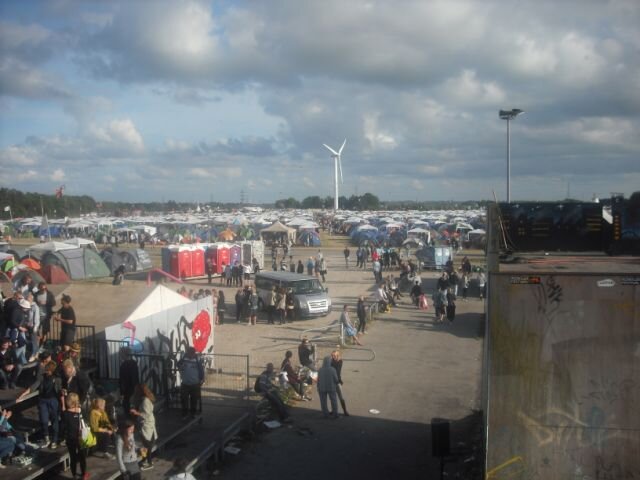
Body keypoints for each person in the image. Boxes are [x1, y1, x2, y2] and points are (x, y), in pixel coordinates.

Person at [17, 357, 60, 449]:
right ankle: (46, 438)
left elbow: (60, 390)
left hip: (53, 400)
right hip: (43, 401)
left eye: (48, 370)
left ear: (51, 371)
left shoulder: (57, 379)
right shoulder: (42, 378)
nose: (46, 371)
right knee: (44, 420)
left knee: (54, 420)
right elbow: (33, 387)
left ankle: (55, 440)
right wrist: (22, 395)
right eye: (46, 370)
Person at [63, 392, 89, 480]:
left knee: (73, 457)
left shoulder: (65, 414)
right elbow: (86, 421)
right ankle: (84, 474)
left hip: (70, 438)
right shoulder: (81, 411)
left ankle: (74, 475)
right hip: (81, 436)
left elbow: (64, 425)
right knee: (82, 457)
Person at [129, 384, 156, 471]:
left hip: (147, 425)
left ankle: (149, 462)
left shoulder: (145, 401)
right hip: (147, 424)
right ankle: (146, 460)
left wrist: (136, 413)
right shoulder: (144, 399)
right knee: (146, 444)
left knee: (147, 445)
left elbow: (146, 414)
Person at [177, 347, 204, 419]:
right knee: (184, 400)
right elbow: (178, 365)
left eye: (192, 353)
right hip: (185, 384)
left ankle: (193, 414)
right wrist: (181, 369)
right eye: (189, 353)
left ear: (194, 353)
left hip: (195, 384)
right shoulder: (183, 359)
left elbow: (201, 370)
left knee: (194, 400)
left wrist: (202, 379)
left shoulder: (197, 360)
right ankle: (185, 414)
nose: (191, 355)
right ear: (187, 353)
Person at [35, 282, 56, 348]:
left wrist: (46, 303)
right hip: (37, 315)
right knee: (36, 331)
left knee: (45, 331)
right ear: (39, 288)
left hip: (46, 315)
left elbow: (54, 303)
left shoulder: (49, 294)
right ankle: (37, 345)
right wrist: (37, 303)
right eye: (41, 289)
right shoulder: (36, 294)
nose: (43, 290)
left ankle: (42, 344)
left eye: (44, 288)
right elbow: (33, 302)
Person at [331, 350, 349, 416]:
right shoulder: (331, 361)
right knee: (333, 398)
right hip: (332, 382)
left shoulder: (340, 361)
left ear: (338, 356)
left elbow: (337, 371)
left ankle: (345, 411)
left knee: (341, 397)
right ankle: (333, 410)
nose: (333, 357)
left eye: (334, 355)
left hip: (337, 382)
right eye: (332, 355)